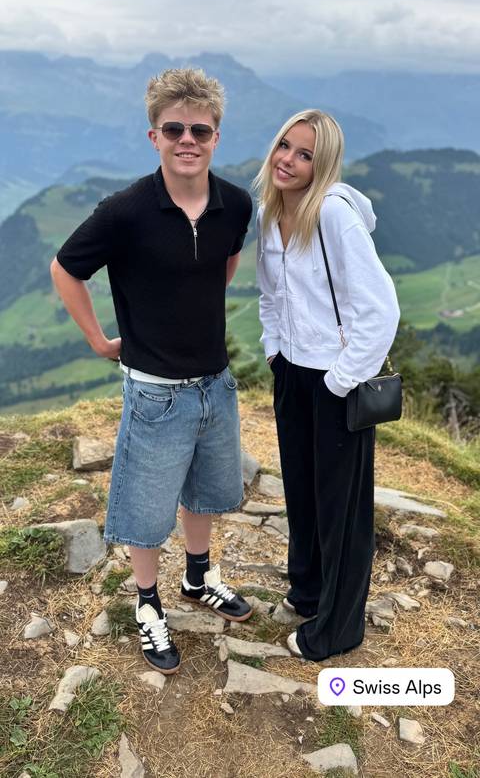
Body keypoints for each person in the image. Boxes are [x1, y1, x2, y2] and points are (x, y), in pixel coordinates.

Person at [51, 67, 253, 675]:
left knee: (207, 491)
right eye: (174, 129)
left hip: (216, 382)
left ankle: (197, 578)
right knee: (144, 506)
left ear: (216, 136)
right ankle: (147, 601)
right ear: (154, 137)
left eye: (200, 129)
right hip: (155, 391)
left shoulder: (234, 204)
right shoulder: (124, 211)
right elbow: (66, 269)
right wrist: (97, 339)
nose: (187, 139)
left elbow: (223, 267)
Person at [255, 109, 400, 662]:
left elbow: (381, 309)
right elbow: (271, 295)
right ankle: (309, 588)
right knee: (303, 490)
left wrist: (339, 381)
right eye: (284, 146)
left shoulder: (334, 216)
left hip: (335, 380)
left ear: (324, 163)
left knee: (343, 509)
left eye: (305, 153)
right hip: (291, 370)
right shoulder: (272, 214)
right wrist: (274, 350)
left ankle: (339, 628)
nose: (288, 160)